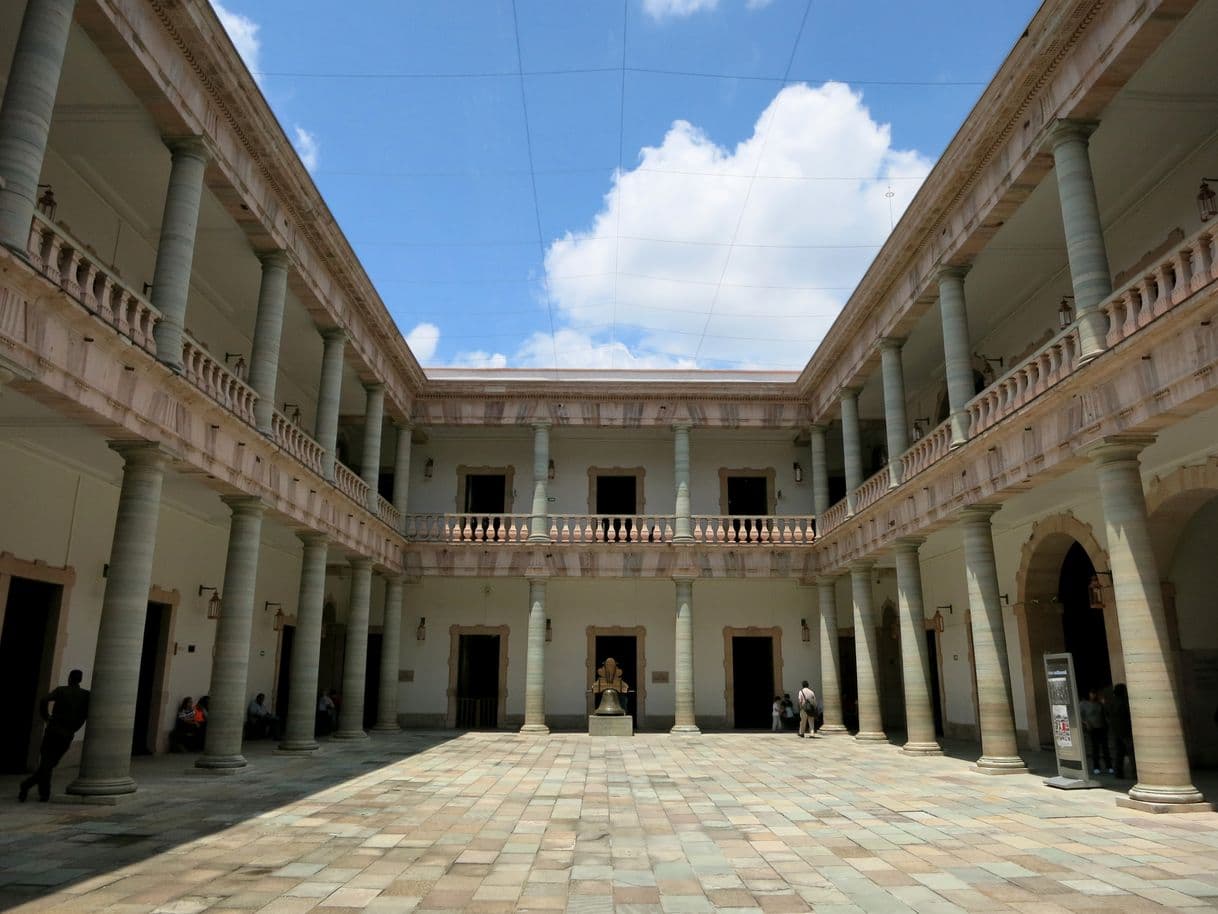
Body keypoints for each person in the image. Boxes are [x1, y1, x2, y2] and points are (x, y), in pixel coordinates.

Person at [18, 669, 90, 802]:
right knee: (50, 763)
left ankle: (28, 785)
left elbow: (44, 699)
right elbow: (87, 713)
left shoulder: (61, 690)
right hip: (68, 733)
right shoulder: (85, 695)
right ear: (80, 680)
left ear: (69, 678)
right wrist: (77, 724)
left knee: (47, 762)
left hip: (54, 730)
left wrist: (46, 717)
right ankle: (43, 793)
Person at [1079, 687, 1110, 775]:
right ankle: (1096, 767)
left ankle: (1109, 766)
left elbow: (1105, 714)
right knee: (1095, 748)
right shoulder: (1083, 704)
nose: (1093, 695)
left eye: (1094, 693)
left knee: (1105, 747)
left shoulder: (1099, 703)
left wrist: (1104, 704)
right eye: (1092, 693)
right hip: (1092, 728)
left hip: (1102, 727)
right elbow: (1080, 716)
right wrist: (1086, 723)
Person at [1107, 683, 1135, 779]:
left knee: (1119, 753)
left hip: (1116, 731)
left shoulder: (1111, 703)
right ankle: (1135, 773)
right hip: (1126, 731)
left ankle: (1118, 773)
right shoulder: (1124, 702)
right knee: (1131, 754)